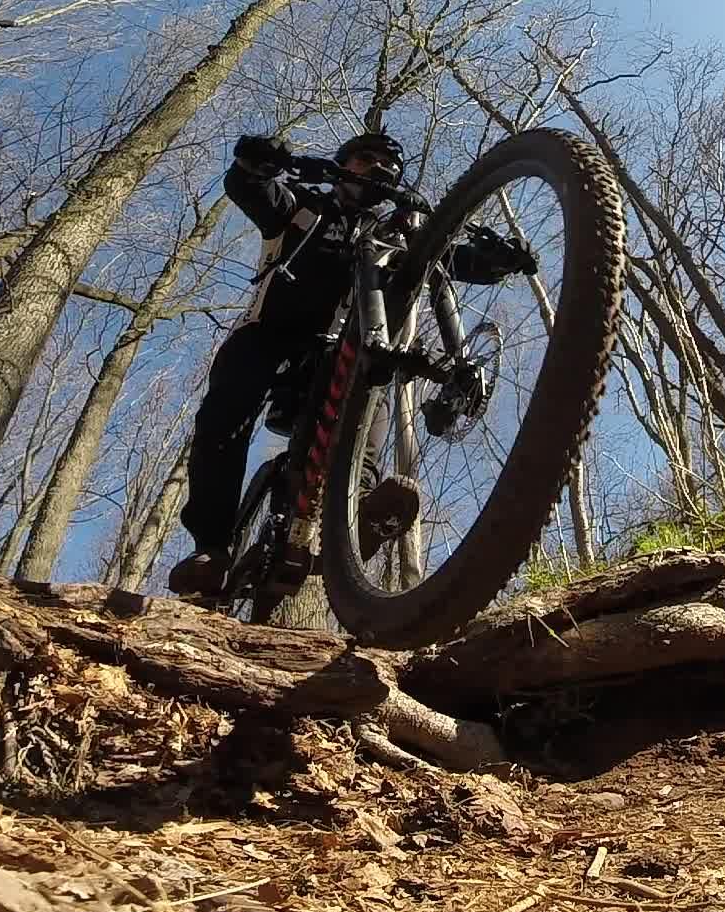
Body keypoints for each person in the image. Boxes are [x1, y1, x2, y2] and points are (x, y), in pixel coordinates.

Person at [167, 130, 535, 597]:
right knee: (226, 413)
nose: (381, 168)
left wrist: (500, 262)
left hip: (341, 351)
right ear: (343, 166)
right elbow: (250, 189)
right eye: (366, 158)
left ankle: (355, 512)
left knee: (372, 392)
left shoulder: (393, 237)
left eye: (390, 165)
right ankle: (213, 547)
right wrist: (256, 162)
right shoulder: (302, 207)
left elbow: (448, 261)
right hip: (270, 334)